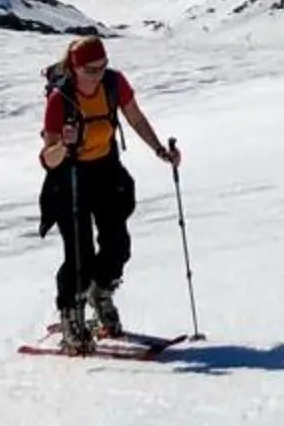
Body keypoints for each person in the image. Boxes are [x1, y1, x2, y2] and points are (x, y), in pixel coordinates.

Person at [37, 34, 178, 353]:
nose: (98, 74)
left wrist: (159, 150)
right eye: (91, 69)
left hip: (106, 169)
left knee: (118, 243)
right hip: (70, 176)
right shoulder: (60, 99)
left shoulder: (114, 84)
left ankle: (100, 292)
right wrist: (65, 144)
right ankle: (71, 312)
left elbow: (135, 117)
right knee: (79, 252)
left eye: (103, 66)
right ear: (75, 68)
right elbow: (48, 158)